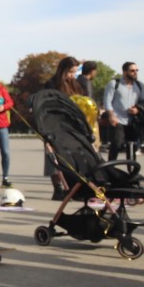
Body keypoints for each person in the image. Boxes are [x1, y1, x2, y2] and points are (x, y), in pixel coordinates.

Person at [41, 56, 81, 199]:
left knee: (70, 158)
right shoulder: (51, 84)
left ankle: (71, 186)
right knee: (54, 158)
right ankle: (58, 188)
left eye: (75, 72)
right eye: (70, 72)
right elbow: (46, 105)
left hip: (71, 126)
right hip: (53, 125)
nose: (72, 75)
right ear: (63, 70)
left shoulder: (75, 85)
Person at [102, 61, 144, 161]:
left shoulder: (139, 86)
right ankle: (111, 168)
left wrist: (137, 109)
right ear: (125, 72)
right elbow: (107, 101)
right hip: (118, 119)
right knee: (117, 143)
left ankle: (132, 171)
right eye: (132, 70)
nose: (135, 73)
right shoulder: (114, 84)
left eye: (136, 70)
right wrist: (111, 115)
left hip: (133, 120)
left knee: (132, 146)